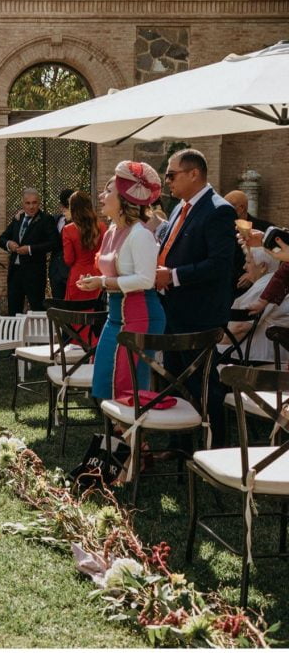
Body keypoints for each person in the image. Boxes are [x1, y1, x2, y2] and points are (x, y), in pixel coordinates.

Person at [155, 148, 236, 446]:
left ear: (194, 174)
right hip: (173, 309)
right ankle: (179, 447)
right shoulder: (179, 207)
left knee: (203, 384)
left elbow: (219, 265)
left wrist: (173, 276)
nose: (167, 182)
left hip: (200, 313)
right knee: (174, 380)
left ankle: (215, 448)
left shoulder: (219, 210)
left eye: (171, 175)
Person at [79, 163, 165, 401]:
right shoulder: (110, 232)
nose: (101, 196)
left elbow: (146, 280)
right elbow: (109, 273)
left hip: (140, 317)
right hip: (114, 316)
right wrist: (95, 281)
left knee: (127, 387)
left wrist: (103, 282)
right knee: (105, 380)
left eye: (108, 191)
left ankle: (133, 437)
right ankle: (117, 435)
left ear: (125, 199)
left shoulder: (141, 234)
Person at [0, 188, 59, 315]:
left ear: (39, 203)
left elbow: (54, 243)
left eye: (34, 203)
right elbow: (1, 239)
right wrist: (9, 244)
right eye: (28, 203)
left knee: (37, 310)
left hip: (34, 274)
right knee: (14, 311)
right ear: (23, 204)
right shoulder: (18, 219)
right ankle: (14, 334)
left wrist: (30, 249)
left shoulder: (46, 219)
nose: (31, 206)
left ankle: (38, 335)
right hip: (15, 273)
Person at [225, 189, 274, 299]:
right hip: (226, 287)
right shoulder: (221, 229)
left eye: (227, 208)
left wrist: (252, 274)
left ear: (241, 208)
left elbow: (276, 258)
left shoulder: (265, 229)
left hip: (255, 289)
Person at [62, 190, 106, 301]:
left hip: (78, 278)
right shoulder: (101, 227)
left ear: (72, 208)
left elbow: (69, 259)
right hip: (98, 276)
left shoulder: (68, 229)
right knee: (97, 312)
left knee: (75, 314)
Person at [49, 188, 74, 299]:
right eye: (64, 205)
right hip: (55, 272)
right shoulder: (54, 220)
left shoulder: (80, 224)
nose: (66, 208)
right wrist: (22, 213)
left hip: (71, 272)